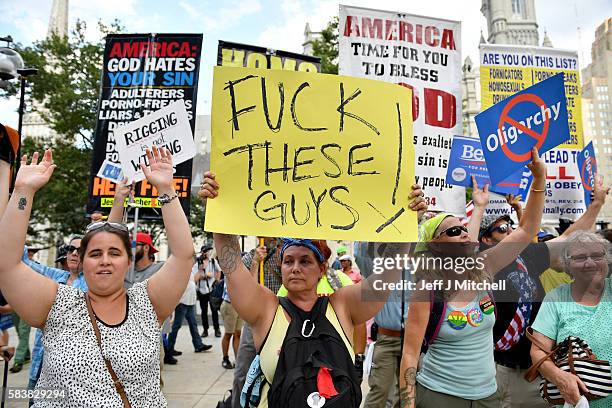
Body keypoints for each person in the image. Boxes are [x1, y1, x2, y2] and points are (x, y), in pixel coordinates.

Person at [199, 170, 426, 407]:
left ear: (322, 268)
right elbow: (232, 265)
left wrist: (407, 222)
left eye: (305, 261)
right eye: (288, 261)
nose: (295, 268)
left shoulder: (342, 306)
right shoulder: (265, 309)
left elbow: (387, 272)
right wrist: (218, 210)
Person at [0, 147, 194, 407]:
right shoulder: (57, 303)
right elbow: (7, 264)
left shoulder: (147, 303)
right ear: (82, 261)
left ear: (127, 261)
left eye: (114, 253)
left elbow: (183, 256)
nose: (104, 260)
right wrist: (23, 192)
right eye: (95, 254)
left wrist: (166, 189)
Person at [400, 147, 547, 408]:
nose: (465, 233)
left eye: (465, 229)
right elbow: (410, 355)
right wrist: (408, 404)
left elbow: (527, 230)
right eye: (454, 230)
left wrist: (538, 180)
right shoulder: (427, 291)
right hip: (439, 397)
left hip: (488, 398)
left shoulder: (484, 268)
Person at [472, 174, 609, 408]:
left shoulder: (528, 255)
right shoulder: (482, 265)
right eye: (502, 228)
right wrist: (479, 208)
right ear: (486, 239)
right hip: (494, 368)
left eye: (511, 226)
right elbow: (464, 252)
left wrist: (596, 204)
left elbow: (568, 238)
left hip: (534, 370)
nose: (511, 230)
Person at [529, 230, 612, 408]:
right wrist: (560, 379)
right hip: (575, 401)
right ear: (568, 265)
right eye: (580, 257)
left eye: (597, 255)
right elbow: (538, 352)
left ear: (607, 259)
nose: (590, 263)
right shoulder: (556, 298)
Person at [166, 266, 213, 356]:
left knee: (193, 324)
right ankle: (169, 348)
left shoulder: (189, 270)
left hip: (190, 301)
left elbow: (193, 281)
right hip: (182, 302)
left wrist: (199, 272)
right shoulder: (179, 269)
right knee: (176, 325)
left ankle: (198, 345)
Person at [194, 246, 221, 338]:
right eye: (207, 252)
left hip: (211, 289)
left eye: (209, 252)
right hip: (201, 290)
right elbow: (194, 277)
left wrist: (216, 280)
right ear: (203, 252)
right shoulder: (198, 263)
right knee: (204, 311)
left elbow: (219, 271)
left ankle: (217, 329)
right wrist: (203, 274)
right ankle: (205, 330)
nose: (209, 253)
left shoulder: (213, 261)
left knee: (214, 310)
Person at [220, 279, 242, 369]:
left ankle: (238, 360)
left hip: (240, 305)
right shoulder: (231, 268)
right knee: (228, 334)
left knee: (237, 334)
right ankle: (225, 359)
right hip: (229, 305)